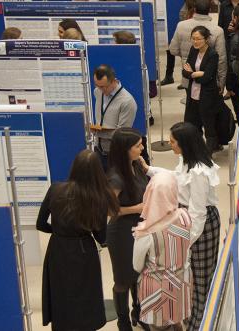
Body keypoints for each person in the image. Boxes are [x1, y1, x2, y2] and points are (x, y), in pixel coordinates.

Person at [140, 122, 221, 331]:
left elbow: (199, 212)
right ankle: (192, 315)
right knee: (190, 275)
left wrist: (186, 241)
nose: (170, 144)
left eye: (173, 141)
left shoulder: (199, 173)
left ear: (184, 143)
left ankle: (199, 324)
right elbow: (174, 177)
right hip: (189, 221)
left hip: (200, 226)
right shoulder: (186, 161)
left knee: (201, 278)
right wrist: (149, 169)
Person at [36, 150, 120, 331]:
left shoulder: (55, 189)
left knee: (60, 291)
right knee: (85, 294)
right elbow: (101, 237)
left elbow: (40, 224)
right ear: (98, 172)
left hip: (58, 248)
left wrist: (59, 232)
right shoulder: (97, 198)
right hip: (83, 249)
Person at [132, 171, 192, 331]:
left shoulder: (146, 232)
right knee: (177, 321)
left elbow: (137, 265)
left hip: (157, 293)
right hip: (181, 284)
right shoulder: (185, 216)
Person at [106, 128, 149, 331]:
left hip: (139, 229)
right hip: (122, 233)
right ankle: (123, 321)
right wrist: (136, 208)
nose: (142, 148)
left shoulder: (136, 166)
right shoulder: (116, 177)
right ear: (125, 150)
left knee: (139, 274)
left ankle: (138, 311)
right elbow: (109, 211)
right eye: (137, 146)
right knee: (123, 279)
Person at [169, 0, 227, 91]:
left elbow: (173, 50)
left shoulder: (181, 25)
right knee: (207, 104)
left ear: (195, 9)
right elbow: (221, 59)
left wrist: (185, 57)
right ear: (210, 10)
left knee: (190, 103)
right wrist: (222, 82)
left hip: (188, 74)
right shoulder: (217, 30)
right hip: (209, 77)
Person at [183, 26, 222, 153]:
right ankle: (196, 150)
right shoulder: (193, 50)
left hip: (207, 95)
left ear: (206, 39)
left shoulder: (212, 54)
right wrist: (196, 74)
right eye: (193, 39)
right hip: (193, 94)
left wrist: (192, 74)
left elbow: (207, 78)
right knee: (192, 124)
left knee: (208, 125)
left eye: (198, 39)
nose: (195, 41)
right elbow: (184, 71)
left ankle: (209, 152)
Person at [91, 64, 138, 168]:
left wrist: (100, 132)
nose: (100, 89)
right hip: (98, 150)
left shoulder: (127, 102)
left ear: (113, 81)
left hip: (115, 154)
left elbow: (123, 135)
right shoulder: (98, 92)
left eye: (103, 86)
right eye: (97, 85)